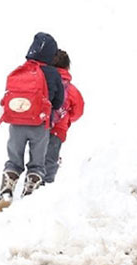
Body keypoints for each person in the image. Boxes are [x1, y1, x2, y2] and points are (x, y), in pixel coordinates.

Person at [0, 32, 64, 213]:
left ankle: (7, 190)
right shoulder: (52, 73)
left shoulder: (20, 70)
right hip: (39, 125)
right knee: (37, 163)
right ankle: (30, 193)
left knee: (14, 159)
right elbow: (58, 102)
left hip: (16, 124)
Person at [44, 50, 84, 185]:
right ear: (67, 68)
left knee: (37, 155)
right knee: (51, 156)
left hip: (40, 124)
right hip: (58, 128)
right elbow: (78, 111)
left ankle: (33, 178)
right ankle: (47, 183)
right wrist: (66, 117)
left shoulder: (43, 82)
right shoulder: (71, 89)